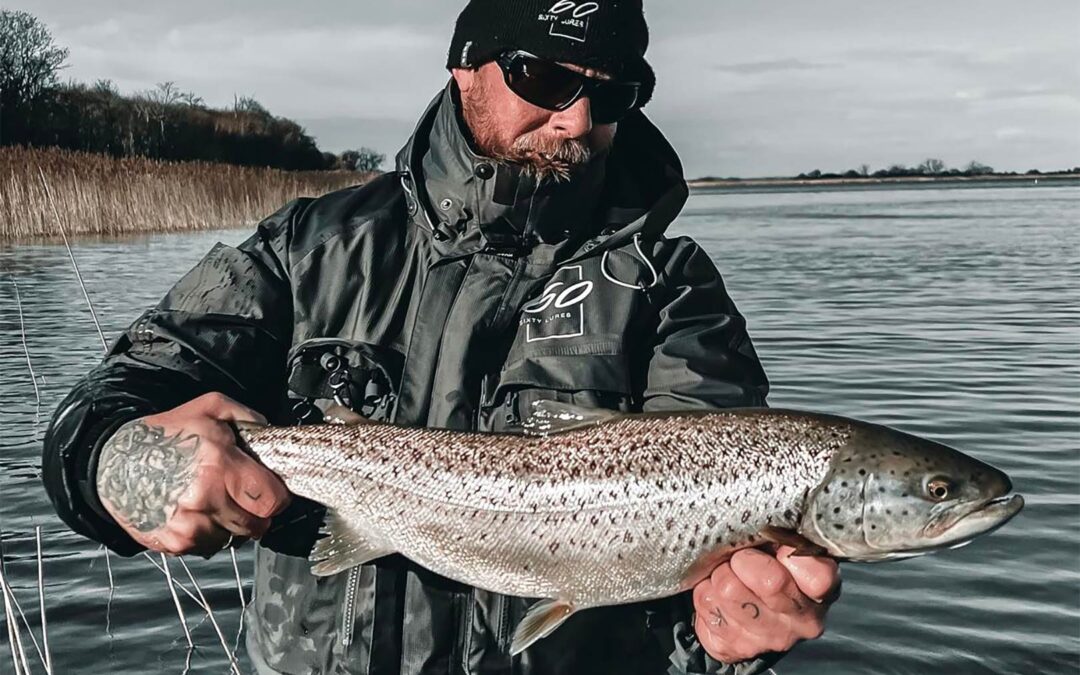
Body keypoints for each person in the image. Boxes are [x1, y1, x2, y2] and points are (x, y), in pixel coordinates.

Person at [42, 1, 840, 673]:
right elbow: (110, 402)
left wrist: (727, 639)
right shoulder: (309, 246)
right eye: (545, 76)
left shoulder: (669, 287)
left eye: (616, 92)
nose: (578, 118)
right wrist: (124, 464)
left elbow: (705, 581)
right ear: (466, 64)